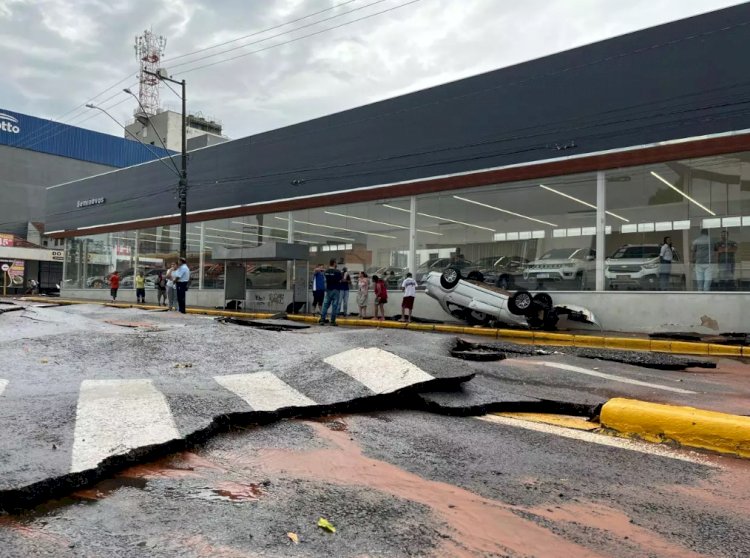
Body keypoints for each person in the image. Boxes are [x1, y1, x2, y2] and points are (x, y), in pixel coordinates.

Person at [319, 259, 342, 326]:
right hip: (336, 290)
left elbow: (325, 280)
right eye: (336, 263)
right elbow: (340, 279)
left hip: (328, 290)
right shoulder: (338, 272)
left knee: (325, 305)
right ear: (334, 263)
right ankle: (332, 321)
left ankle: (322, 320)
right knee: (334, 306)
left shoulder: (326, 272)